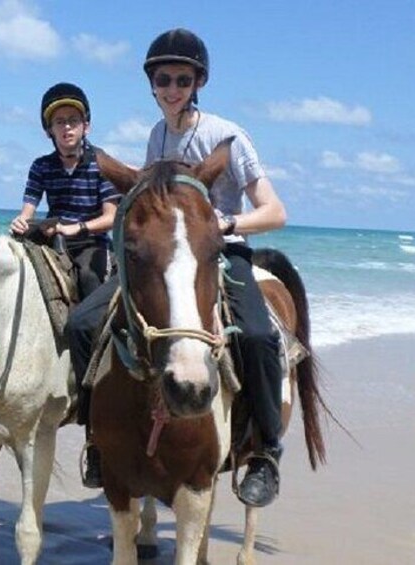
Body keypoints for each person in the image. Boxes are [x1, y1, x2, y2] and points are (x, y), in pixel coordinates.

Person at [68, 28, 288, 506]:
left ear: (198, 83)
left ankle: (266, 451)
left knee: (255, 334)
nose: (172, 88)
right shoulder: (157, 135)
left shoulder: (226, 135)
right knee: (83, 322)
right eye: (163, 79)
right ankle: (96, 442)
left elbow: (275, 211)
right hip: (168, 258)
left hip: (219, 252)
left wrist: (227, 224)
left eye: (182, 79)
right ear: (152, 84)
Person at [9, 82, 121, 301]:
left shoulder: (102, 163)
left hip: (91, 242)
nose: (67, 127)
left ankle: (100, 334)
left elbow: (111, 217)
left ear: (85, 126)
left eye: (73, 120)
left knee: (90, 277)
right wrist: (21, 222)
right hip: (55, 238)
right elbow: (27, 211)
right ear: (49, 130)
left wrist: (77, 228)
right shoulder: (41, 166)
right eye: (60, 122)